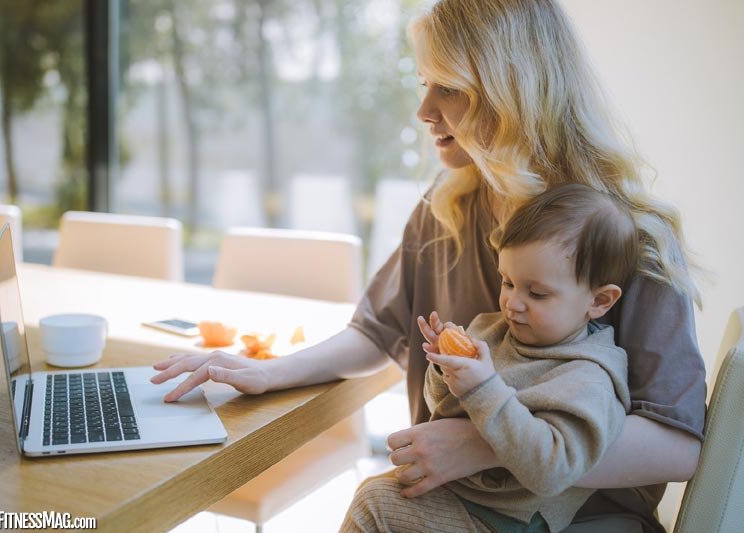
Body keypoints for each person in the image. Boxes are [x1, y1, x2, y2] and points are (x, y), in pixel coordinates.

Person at [150, 0, 706, 530]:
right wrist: (271, 372)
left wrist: (486, 445)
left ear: (513, 92)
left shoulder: (630, 235)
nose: (423, 112)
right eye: (424, 85)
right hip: (450, 505)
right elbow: (378, 331)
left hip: (578, 521)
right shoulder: (448, 204)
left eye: (450, 89)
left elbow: (678, 444)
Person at [341, 183, 638, 533]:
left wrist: (483, 387)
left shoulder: (588, 377)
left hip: (508, 520)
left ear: (600, 301)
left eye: (537, 292)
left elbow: (552, 470)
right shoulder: (493, 330)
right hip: (461, 495)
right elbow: (443, 410)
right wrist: (446, 370)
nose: (513, 302)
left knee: (375, 506)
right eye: (507, 282)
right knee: (374, 491)